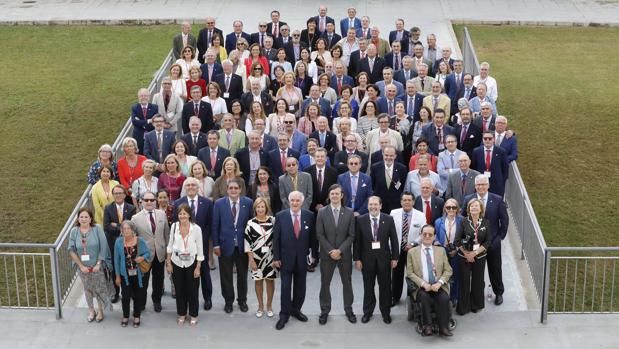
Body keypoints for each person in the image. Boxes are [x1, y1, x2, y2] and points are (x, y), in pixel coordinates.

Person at [462, 175, 509, 307]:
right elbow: (463, 219)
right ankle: (476, 294)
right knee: (476, 271)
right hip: (474, 244)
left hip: (493, 244)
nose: (481, 187)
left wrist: (499, 238)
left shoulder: (498, 199)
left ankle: (498, 293)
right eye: (478, 185)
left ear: (488, 185)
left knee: (495, 269)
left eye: (483, 184)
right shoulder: (468, 199)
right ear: (475, 186)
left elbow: (504, 221)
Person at [272, 191, 317, 330]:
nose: (295, 203)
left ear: (302, 202)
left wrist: (314, 255)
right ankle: (284, 315)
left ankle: (296, 310)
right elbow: (276, 239)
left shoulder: (309, 216)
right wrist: (276, 257)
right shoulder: (280, 216)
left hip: (302, 260)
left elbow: (313, 238)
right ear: (289, 201)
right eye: (293, 200)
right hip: (285, 259)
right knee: (285, 288)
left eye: (298, 200)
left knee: (300, 287)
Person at [353, 196, 398, 324]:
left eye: (375, 204)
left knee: (385, 288)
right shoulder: (361, 220)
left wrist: (395, 257)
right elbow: (357, 242)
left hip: (384, 259)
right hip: (366, 260)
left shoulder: (388, 219)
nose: (373, 207)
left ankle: (385, 313)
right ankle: (367, 312)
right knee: (368, 287)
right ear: (367, 206)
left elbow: (394, 240)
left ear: (380, 206)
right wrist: (357, 259)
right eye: (371, 204)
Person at [316, 184, 357, 324]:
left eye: (337, 193)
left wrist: (340, 250)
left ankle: (349, 310)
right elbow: (320, 235)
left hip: (344, 255)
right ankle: (324, 311)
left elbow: (351, 236)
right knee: (325, 284)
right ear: (329, 195)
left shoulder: (350, 212)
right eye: (332, 193)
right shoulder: (322, 212)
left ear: (342, 195)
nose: (334, 196)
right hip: (327, 255)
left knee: (347, 283)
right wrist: (331, 251)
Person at [212, 179, 253, 313]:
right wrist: (216, 245)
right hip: (225, 246)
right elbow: (215, 225)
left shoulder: (248, 202)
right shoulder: (219, 204)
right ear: (227, 190)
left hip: (242, 246)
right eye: (231, 188)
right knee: (226, 276)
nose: (233, 190)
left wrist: (251, 246)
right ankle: (228, 301)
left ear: (240, 189)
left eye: (236, 188)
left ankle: (242, 301)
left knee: (242, 275)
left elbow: (251, 225)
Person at [174, 177, 214, 310]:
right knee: (186, 273)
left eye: (193, 185)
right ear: (184, 188)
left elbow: (210, 223)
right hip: (184, 246)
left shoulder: (207, 203)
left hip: (201, 244)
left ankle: (207, 298)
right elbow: (175, 224)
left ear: (198, 188)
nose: (190, 187)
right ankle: (187, 301)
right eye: (188, 185)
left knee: (204, 270)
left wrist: (207, 241)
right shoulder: (178, 203)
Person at [407, 224, 453, 336]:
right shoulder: (412, 252)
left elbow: (448, 270)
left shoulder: (441, 251)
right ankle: (427, 325)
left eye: (430, 234)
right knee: (424, 297)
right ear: (421, 235)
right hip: (421, 287)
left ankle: (443, 327)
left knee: (444, 298)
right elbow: (410, 272)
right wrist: (423, 284)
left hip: (438, 285)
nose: (427, 236)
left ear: (434, 237)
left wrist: (439, 283)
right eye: (425, 234)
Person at [68, 208, 113, 323]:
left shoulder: (96, 229)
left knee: (98, 288)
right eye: (81, 217)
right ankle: (91, 310)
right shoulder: (74, 231)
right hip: (83, 267)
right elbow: (71, 250)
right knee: (87, 289)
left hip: (97, 266)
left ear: (90, 218)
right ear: (78, 218)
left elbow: (103, 246)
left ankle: (100, 310)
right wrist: (81, 266)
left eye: (86, 217)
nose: (83, 219)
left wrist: (99, 263)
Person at [131, 190, 170, 312]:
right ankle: (141, 303)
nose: (149, 202)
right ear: (141, 201)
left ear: (155, 201)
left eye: (152, 200)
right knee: (143, 281)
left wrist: (168, 253)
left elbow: (166, 234)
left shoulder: (162, 214)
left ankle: (157, 301)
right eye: (146, 200)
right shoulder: (135, 218)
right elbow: (133, 239)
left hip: (159, 253)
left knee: (158, 280)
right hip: (144, 256)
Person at [166, 204, 203, 325]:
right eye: (180, 213)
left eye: (184, 213)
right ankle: (182, 313)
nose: (182, 216)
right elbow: (170, 245)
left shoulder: (196, 229)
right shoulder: (174, 226)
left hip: (191, 263)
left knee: (192, 290)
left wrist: (198, 267)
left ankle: (193, 314)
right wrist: (168, 263)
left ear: (189, 215)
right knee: (179, 289)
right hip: (176, 262)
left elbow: (200, 249)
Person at [455, 198, 491, 315]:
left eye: (476, 206)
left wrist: (475, 253)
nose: (474, 208)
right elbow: (457, 240)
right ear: (468, 209)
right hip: (464, 256)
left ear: (481, 209)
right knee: (464, 281)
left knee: (478, 281)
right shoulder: (463, 221)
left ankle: (476, 304)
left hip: (479, 256)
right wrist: (467, 254)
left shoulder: (486, 222)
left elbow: (487, 242)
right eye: (472, 206)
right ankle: (463, 307)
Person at [389, 192, 426, 305]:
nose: (407, 202)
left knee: (412, 275)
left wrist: (414, 243)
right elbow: (388, 232)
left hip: (413, 250)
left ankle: (412, 297)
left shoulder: (420, 215)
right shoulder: (393, 213)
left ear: (413, 202)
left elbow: (423, 233)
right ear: (401, 202)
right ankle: (395, 297)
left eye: (409, 200)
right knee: (396, 275)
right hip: (397, 250)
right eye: (404, 200)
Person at [244, 197, 277, 318]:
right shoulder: (250, 223)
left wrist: (277, 257)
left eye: (262, 206)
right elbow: (247, 243)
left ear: (266, 208)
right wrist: (251, 259)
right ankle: (260, 307)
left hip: (270, 257)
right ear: (255, 209)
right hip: (256, 257)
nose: (260, 209)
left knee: (270, 281)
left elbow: (277, 240)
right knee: (258, 282)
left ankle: (269, 306)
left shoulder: (273, 221)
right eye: (258, 207)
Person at [102, 184, 136, 301]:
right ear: (113, 195)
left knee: (129, 265)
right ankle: (116, 293)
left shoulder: (131, 208)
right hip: (113, 242)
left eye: (120, 193)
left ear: (125, 194)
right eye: (115, 193)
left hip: (128, 242)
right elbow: (106, 226)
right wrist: (123, 227)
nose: (118, 195)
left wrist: (116, 225)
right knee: (115, 267)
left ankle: (130, 291)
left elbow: (132, 226)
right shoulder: (108, 208)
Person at [113, 221, 150, 328]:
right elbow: (116, 260)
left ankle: (136, 316)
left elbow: (148, 253)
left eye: (128, 228)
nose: (126, 231)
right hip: (125, 275)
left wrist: (142, 258)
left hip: (138, 275)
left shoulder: (140, 241)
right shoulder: (118, 242)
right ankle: (125, 316)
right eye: (123, 229)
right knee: (125, 297)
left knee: (138, 296)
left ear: (133, 230)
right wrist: (117, 276)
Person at [434, 198, 463, 304]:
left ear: (457, 209)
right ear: (445, 208)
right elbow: (435, 235)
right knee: (442, 274)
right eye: (448, 207)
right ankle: (443, 297)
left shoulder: (462, 221)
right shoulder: (438, 221)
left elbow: (464, 237)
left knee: (456, 275)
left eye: (453, 207)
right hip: (442, 251)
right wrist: (436, 242)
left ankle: (454, 297)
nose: (451, 209)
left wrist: (457, 249)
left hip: (457, 252)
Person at [472, 131, 509, 197]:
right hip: (481, 183)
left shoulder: (501, 151)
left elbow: (505, 168)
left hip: (497, 184)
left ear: (494, 139)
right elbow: (474, 167)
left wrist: (501, 181)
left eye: (490, 138)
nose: (487, 140)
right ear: (482, 140)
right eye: (485, 138)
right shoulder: (476, 151)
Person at [371, 145, 407, 214]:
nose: (388, 158)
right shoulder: (375, 167)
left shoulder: (402, 168)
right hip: (379, 204)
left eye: (391, 156)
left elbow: (402, 186)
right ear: (383, 154)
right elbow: (373, 185)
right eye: (386, 155)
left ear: (395, 156)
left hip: (395, 205)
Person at [131, 88, 157, 154]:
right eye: (141, 96)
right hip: (138, 137)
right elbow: (134, 122)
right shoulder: (135, 108)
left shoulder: (155, 107)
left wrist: (141, 122)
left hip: (151, 136)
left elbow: (155, 122)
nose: (143, 97)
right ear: (138, 97)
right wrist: (148, 121)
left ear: (149, 97)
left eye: (145, 95)